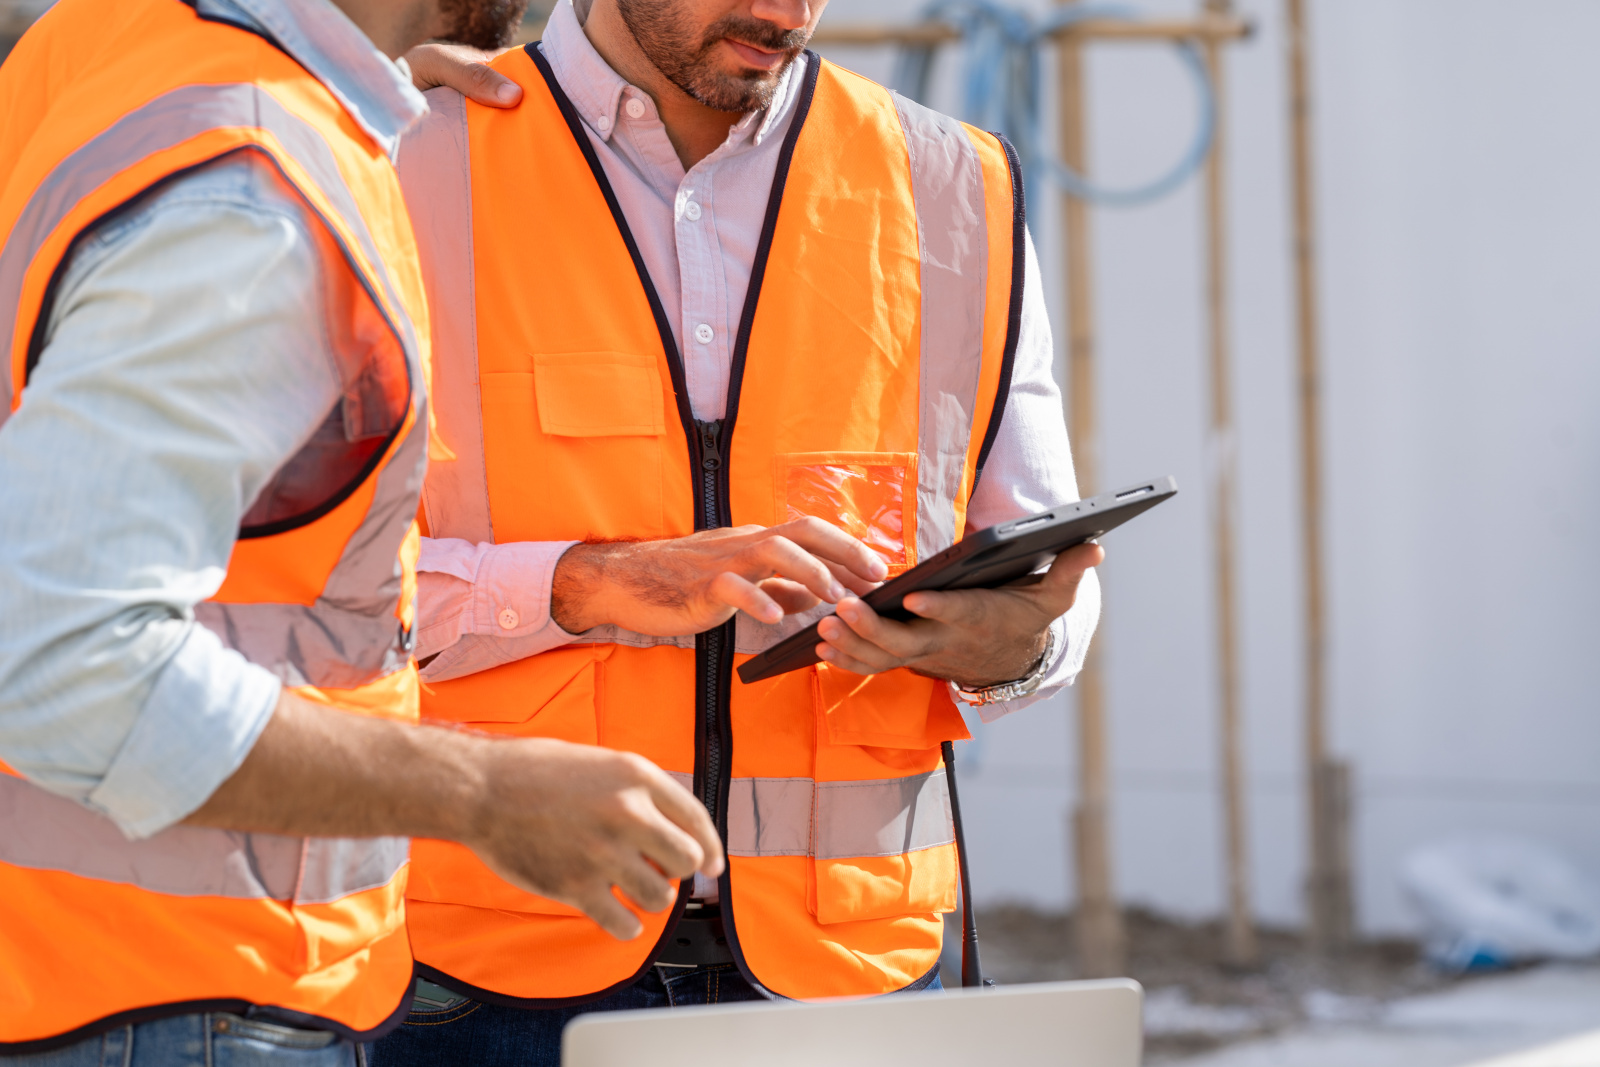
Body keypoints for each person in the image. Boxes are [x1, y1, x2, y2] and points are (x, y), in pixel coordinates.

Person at [366, 0, 1105, 1058]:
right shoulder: (394, 156)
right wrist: (580, 582)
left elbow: (1041, 562)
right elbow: (265, 593)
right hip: (473, 963)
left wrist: (1012, 647)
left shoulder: (956, 187)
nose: (787, 13)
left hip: (854, 973)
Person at [0, 0, 722, 1062]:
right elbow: (59, 661)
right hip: (181, 998)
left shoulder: (107, 51)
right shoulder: (257, 191)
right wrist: (485, 790)